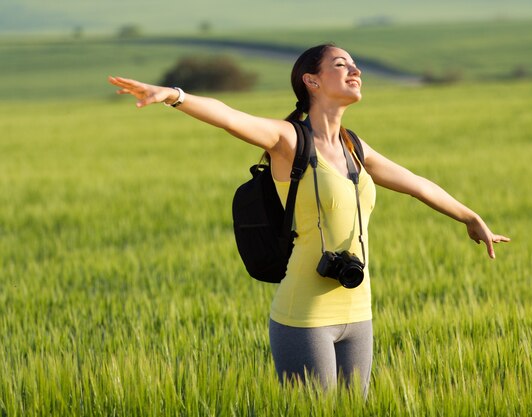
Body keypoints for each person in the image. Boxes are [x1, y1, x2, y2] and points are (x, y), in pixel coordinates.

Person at [108, 43, 509, 397]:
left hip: (359, 312)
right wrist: (174, 96)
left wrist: (470, 217)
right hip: (305, 315)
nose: (356, 70)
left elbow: (418, 185)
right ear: (311, 81)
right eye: (341, 64)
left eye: (355, 64)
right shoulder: (289, 141)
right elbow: (229, 116)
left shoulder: (354, 147)